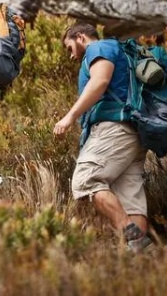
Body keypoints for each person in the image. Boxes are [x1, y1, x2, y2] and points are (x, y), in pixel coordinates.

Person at [53, 23, 153, 253]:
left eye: (70, 48)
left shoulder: (99, 48)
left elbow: (100, 81)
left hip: (114, 129)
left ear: (80, 37)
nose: (71, 56)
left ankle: (132, 235)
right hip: (133, 133)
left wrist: (69, 117)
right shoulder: (122, 53)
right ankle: (140, 258)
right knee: (130, 196)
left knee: (86, 180)